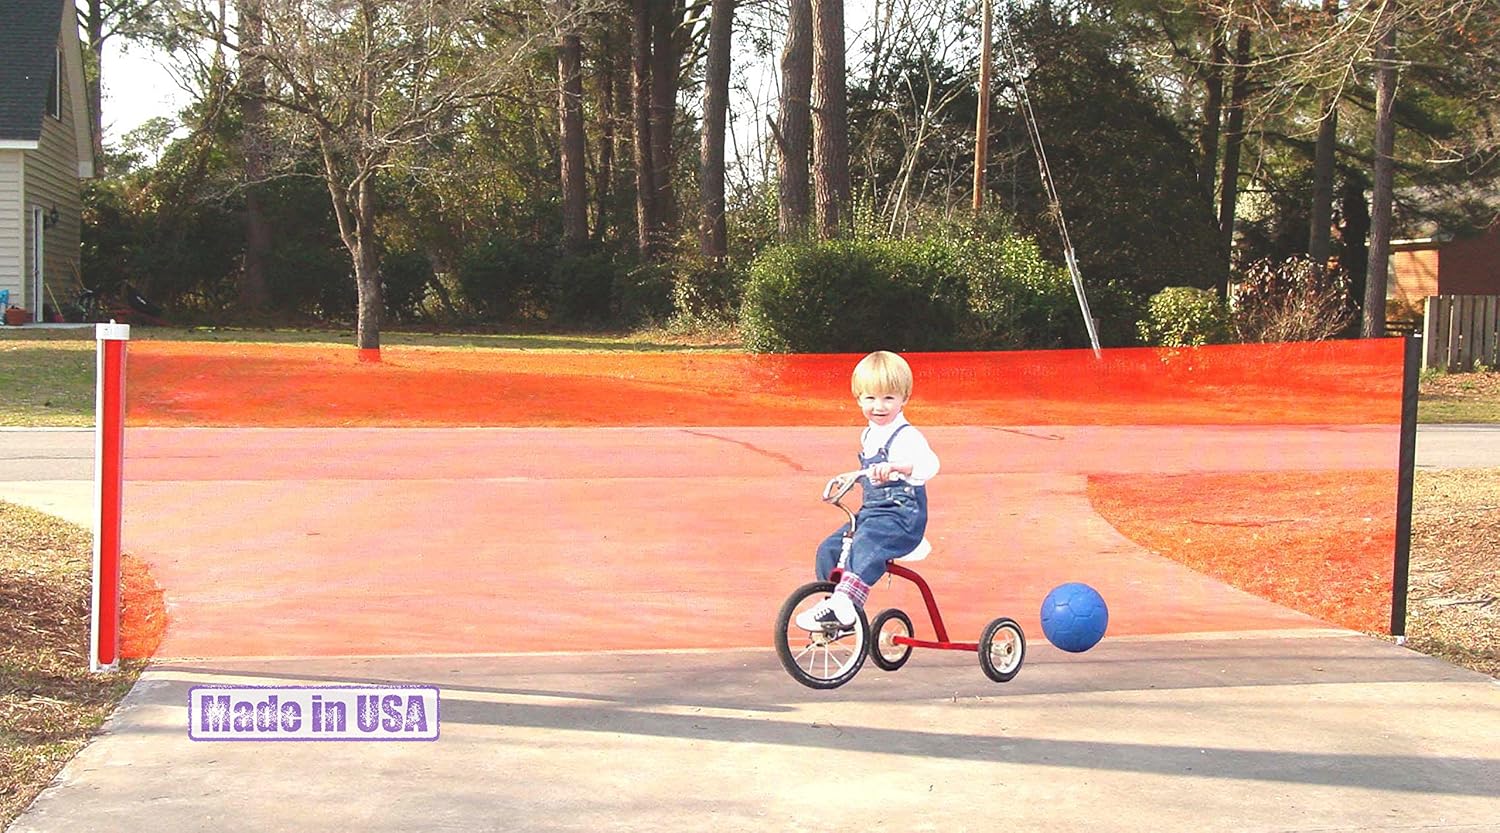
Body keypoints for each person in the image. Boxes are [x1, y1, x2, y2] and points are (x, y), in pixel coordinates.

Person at [795, 350, 940, 631]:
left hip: (901, 518)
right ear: (858, 399)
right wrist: (853, 476)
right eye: (870, 398)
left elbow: (929, 464)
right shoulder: (869, 434)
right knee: (831, 548)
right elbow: (868, 475)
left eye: (889, 398)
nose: (879, 406)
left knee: (865, 543)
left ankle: (845, 602)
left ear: (904, 399)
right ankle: (835, 605)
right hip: (873, 514)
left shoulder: (906, 435)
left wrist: (900, 467)